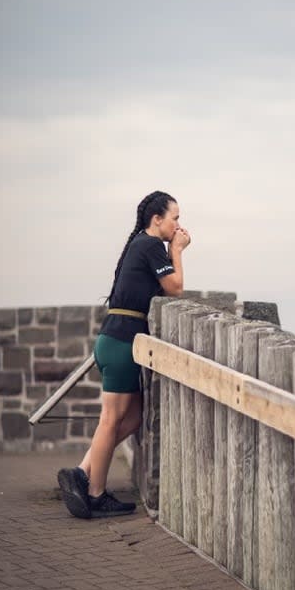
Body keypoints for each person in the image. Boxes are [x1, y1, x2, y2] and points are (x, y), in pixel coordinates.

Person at [57, 191, 191, 519]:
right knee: (110, 420)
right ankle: (95, 492)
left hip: (116, 341)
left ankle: (82, 471)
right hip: (119, 343)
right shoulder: (150, 245)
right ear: (156, 219)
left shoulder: (141, 246)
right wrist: (176, 250)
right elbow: (175, 288)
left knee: (132, 417)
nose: (178, 224)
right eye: (175, 217)